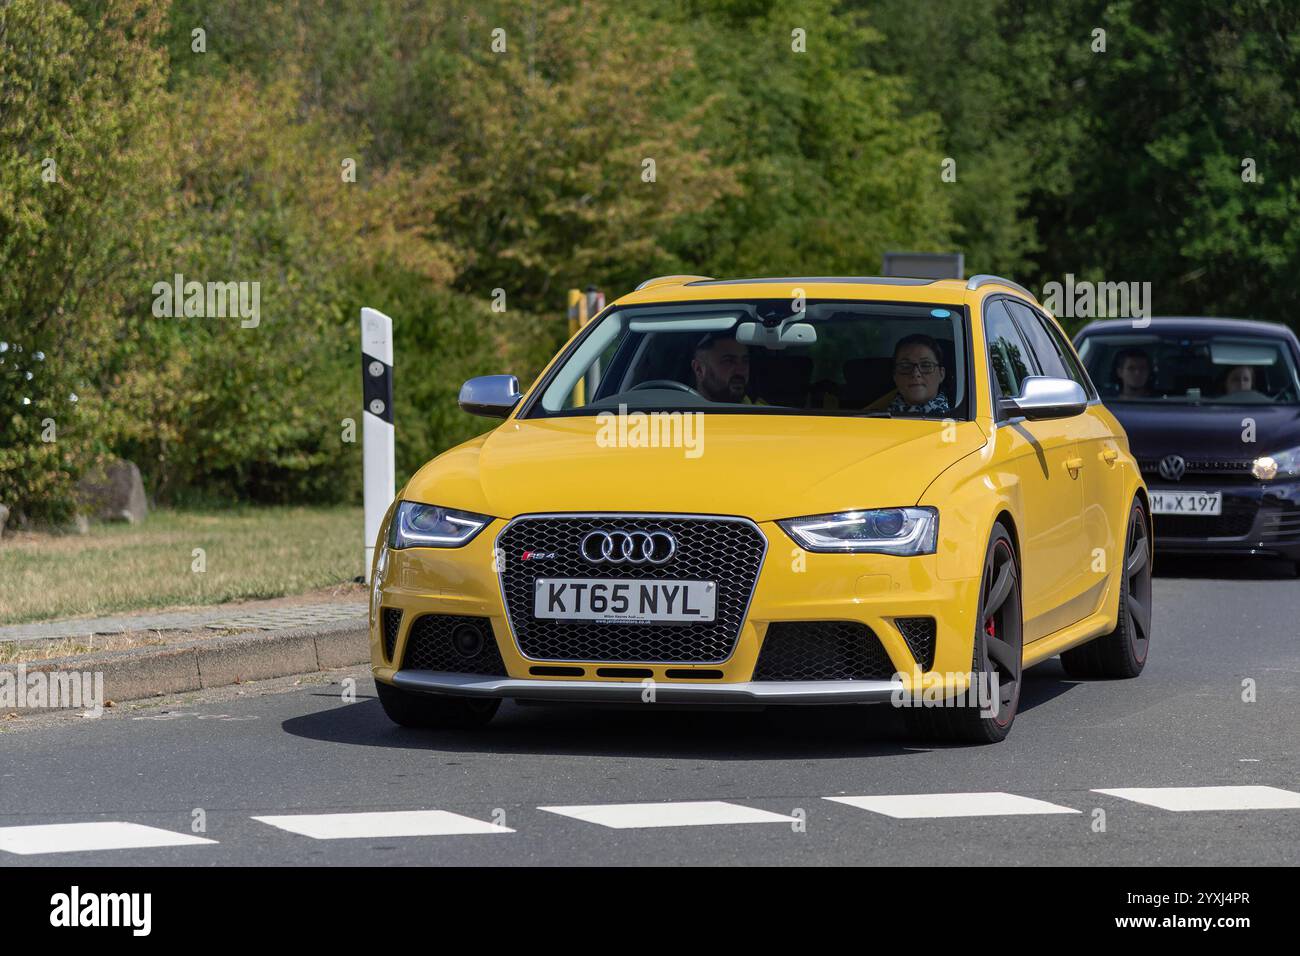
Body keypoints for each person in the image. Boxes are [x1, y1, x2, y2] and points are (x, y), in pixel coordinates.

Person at [887, 334, 950, 416]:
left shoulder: (961, 424)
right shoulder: (872, 417)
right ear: (895, 376)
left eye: (926, 365)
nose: (915, 373)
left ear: (941, 374)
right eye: (906, 366)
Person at [691, 332, 751, 402]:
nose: (741, 370)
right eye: (728, 361)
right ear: (699, 369)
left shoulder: (761, 410)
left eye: (745, 361)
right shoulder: (680, 409)